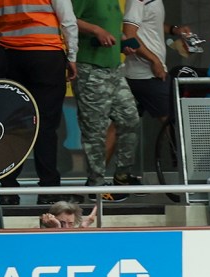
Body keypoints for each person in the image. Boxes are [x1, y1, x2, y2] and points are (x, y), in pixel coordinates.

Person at [0, 0, 78, 206]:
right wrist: (72, 56)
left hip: (8, 56)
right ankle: (49, 191)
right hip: (46, 56)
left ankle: (8, 189)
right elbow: (68, 20)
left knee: (10, 125)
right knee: (46, 124)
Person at [71, 0, 141, 201]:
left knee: (130, 119)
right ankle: (96, 185)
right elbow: (68, 20)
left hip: (114, 69)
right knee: (95, 130)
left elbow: (110, 26)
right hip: (90, 68)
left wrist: (122, 40)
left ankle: (122, 176)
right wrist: (95, 30)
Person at [122, 0, 190, 122]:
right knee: (172, 123)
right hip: (147, 74)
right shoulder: (137, 2)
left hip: (149, 72)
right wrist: (154, 61)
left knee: (119, 123)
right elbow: (129, 34)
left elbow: (151, 22)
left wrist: (175, 30)